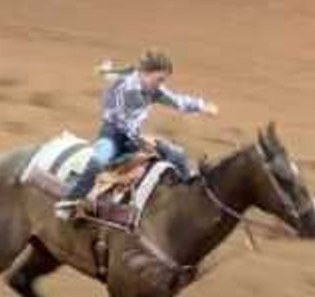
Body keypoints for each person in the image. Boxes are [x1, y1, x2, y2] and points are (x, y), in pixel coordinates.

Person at [54, 49, 219, 219]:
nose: (160, 84)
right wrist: (140, 139)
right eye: (159, 79)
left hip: (134, 136)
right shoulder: (123, 87)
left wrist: (202, 106)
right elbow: (117, 116)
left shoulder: (154, 90)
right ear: (144, 73)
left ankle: (192, 194)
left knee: (177, 155)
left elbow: (177, 100)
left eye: (163, 80)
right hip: (113, 134)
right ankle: (68, 203)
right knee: (98, 162)